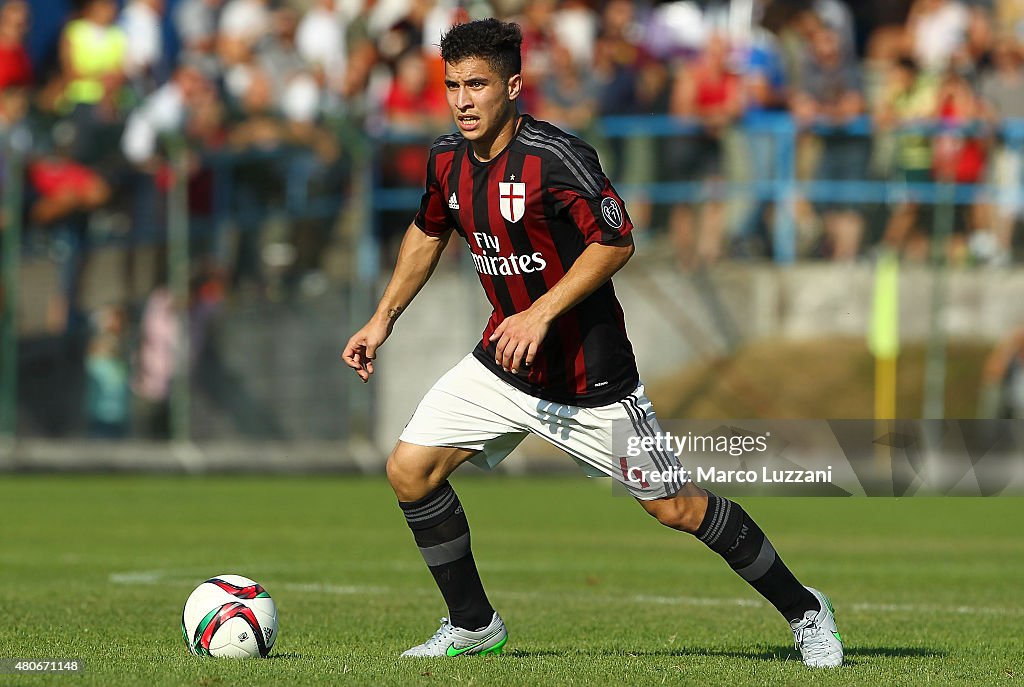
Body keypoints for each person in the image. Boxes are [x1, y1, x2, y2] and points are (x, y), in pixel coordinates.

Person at [342, 19, 844, 668]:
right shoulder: (446, 159)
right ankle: (473, 625)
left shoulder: (556, 157)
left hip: (590, 381)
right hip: (504, 366)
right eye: (452, 86)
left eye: (477, 85)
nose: (463, 100)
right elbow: (427, 230)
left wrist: (542, 312)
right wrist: (383, 316)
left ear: (514, 86)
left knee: (677, 506)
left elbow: (617, 241)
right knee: (409, 470)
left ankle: (807, 610)